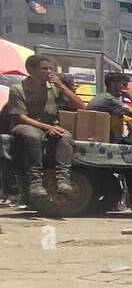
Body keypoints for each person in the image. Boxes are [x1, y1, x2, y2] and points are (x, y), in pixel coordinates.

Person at [0, 54, 83, 199]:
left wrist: (62, 87)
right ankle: (35, 181)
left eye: (51, 68)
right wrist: (46, 127)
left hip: (50, 125)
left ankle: (63, 179)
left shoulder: (54, 86)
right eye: (44, 68)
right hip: (25, 124)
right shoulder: (18, 88)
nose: (49, 72)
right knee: (33, 136)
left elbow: (81, 106)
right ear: (31, 70)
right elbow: (20, 116)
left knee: (66, 136)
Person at [88, 73, 132, 208]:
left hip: (108, 140)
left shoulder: (107, 99)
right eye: (123, 85)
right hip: (104, 142)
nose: (126, 89)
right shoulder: (109, 100)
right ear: (112, 84)